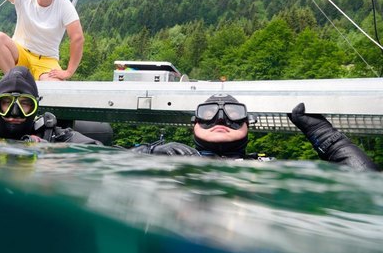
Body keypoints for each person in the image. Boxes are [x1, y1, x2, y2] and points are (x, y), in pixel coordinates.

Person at [134, 93, 379, 171]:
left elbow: (366, 187)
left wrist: (327, 137)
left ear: (248, 125)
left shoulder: (268, 167)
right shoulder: (167, 161)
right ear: (194, 124)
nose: (221, 118)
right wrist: (148, 152)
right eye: (208, 113)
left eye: (233, 113)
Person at [0, 66, 102, 144]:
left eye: (24, 103)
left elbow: (96, 149)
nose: (15, 113)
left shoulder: (51, 135)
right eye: (6, 103)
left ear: (35, 106)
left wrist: (49, 152)